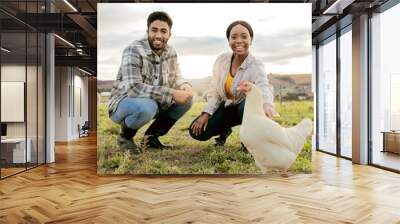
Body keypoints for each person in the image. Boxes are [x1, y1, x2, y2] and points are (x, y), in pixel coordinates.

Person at [108, 11, 193, 154]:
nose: (158, 35)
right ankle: (125, 138)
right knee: (148, 106)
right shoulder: (133, 50)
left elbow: (176, 76)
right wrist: (172, 93)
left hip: (154, 101)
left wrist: (185, 85)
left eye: (163, 31)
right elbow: (134, 88)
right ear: (147, 31)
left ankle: (151, 138)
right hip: (124, 103)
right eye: (154, 30)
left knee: (187, 100)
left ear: (169, 34)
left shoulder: (171, 51)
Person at [189, 20, 278, 145]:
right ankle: (225, 129)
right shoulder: (221, 60)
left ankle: (250, 140)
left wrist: (267, 104)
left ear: (251, 40)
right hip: (226, 107)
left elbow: (264, 86)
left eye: (244, 36)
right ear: (229, 41)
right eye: (234, 37)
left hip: (244, 109)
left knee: (249, 103)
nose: (239, 41)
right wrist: (206, 114)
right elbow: (215, 90)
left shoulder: (256, 65)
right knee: (197, 132)